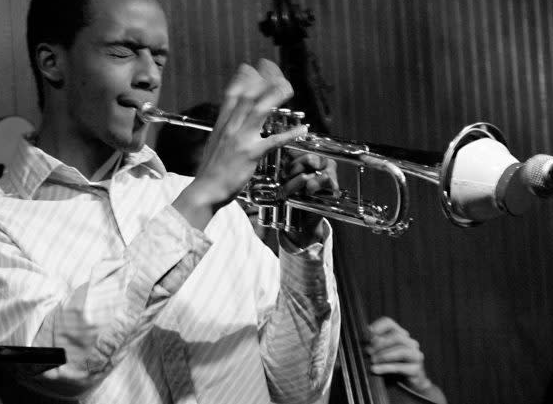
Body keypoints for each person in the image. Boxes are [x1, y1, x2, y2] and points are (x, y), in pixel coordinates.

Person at [0, 0, 340, 404]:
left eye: (159, 57)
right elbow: (59, 362)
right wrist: (203, 197)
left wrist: (303, 249)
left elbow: (298, 391)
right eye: (124, 52)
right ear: (53, 63)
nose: (150, 76)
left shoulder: (219, 215)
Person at [158, 104, 448, 404]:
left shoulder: (295, 285)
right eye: (229, 180)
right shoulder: (172, 291)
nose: (251, 193)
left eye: (259, 172)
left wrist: (421, 389)